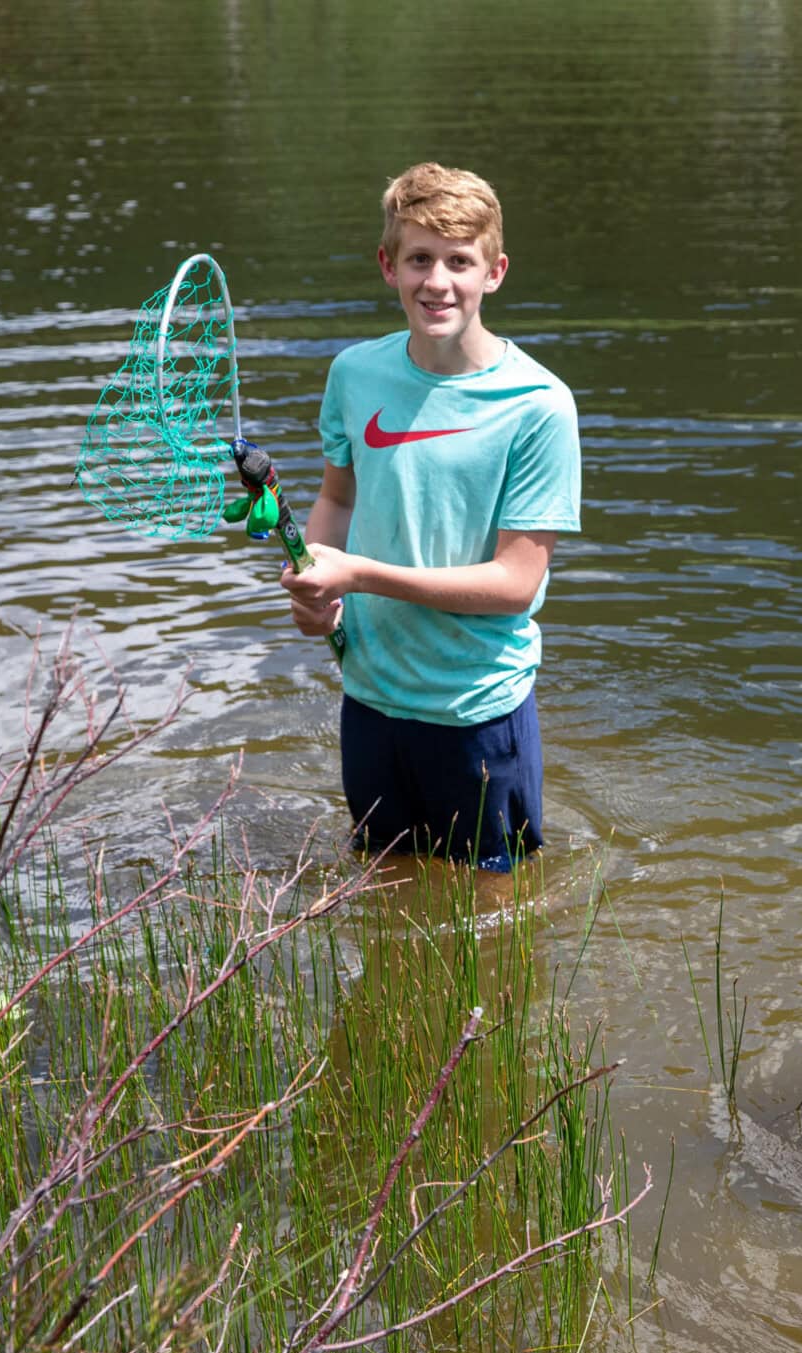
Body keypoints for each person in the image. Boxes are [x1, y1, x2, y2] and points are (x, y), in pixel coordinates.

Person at [280, 162, 581, 871]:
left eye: (459, 261)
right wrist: (317, 588)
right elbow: (338, 499)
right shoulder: (353, 374)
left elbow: (515, 583)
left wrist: (357, 575)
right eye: (419, 259)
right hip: (371, 699)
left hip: (478, 711)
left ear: (495, 272)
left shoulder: (539, 406)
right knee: (382, 883)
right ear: (388, 266)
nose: (437, 282)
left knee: (498, 915)